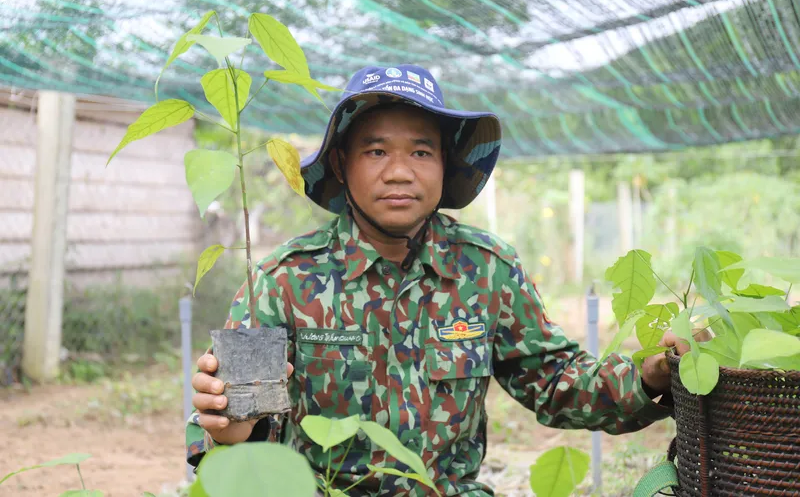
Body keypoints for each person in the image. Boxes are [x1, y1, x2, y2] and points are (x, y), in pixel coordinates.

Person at [186, 64, 685, 496]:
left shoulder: (487, 270)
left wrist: (649, 374)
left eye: (421, 153)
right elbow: (231, 432)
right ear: (341, 162)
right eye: (376, 152)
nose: (400, 172)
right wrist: (232, 427)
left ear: (446, 164)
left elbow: (557, 382)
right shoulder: (284, 281)